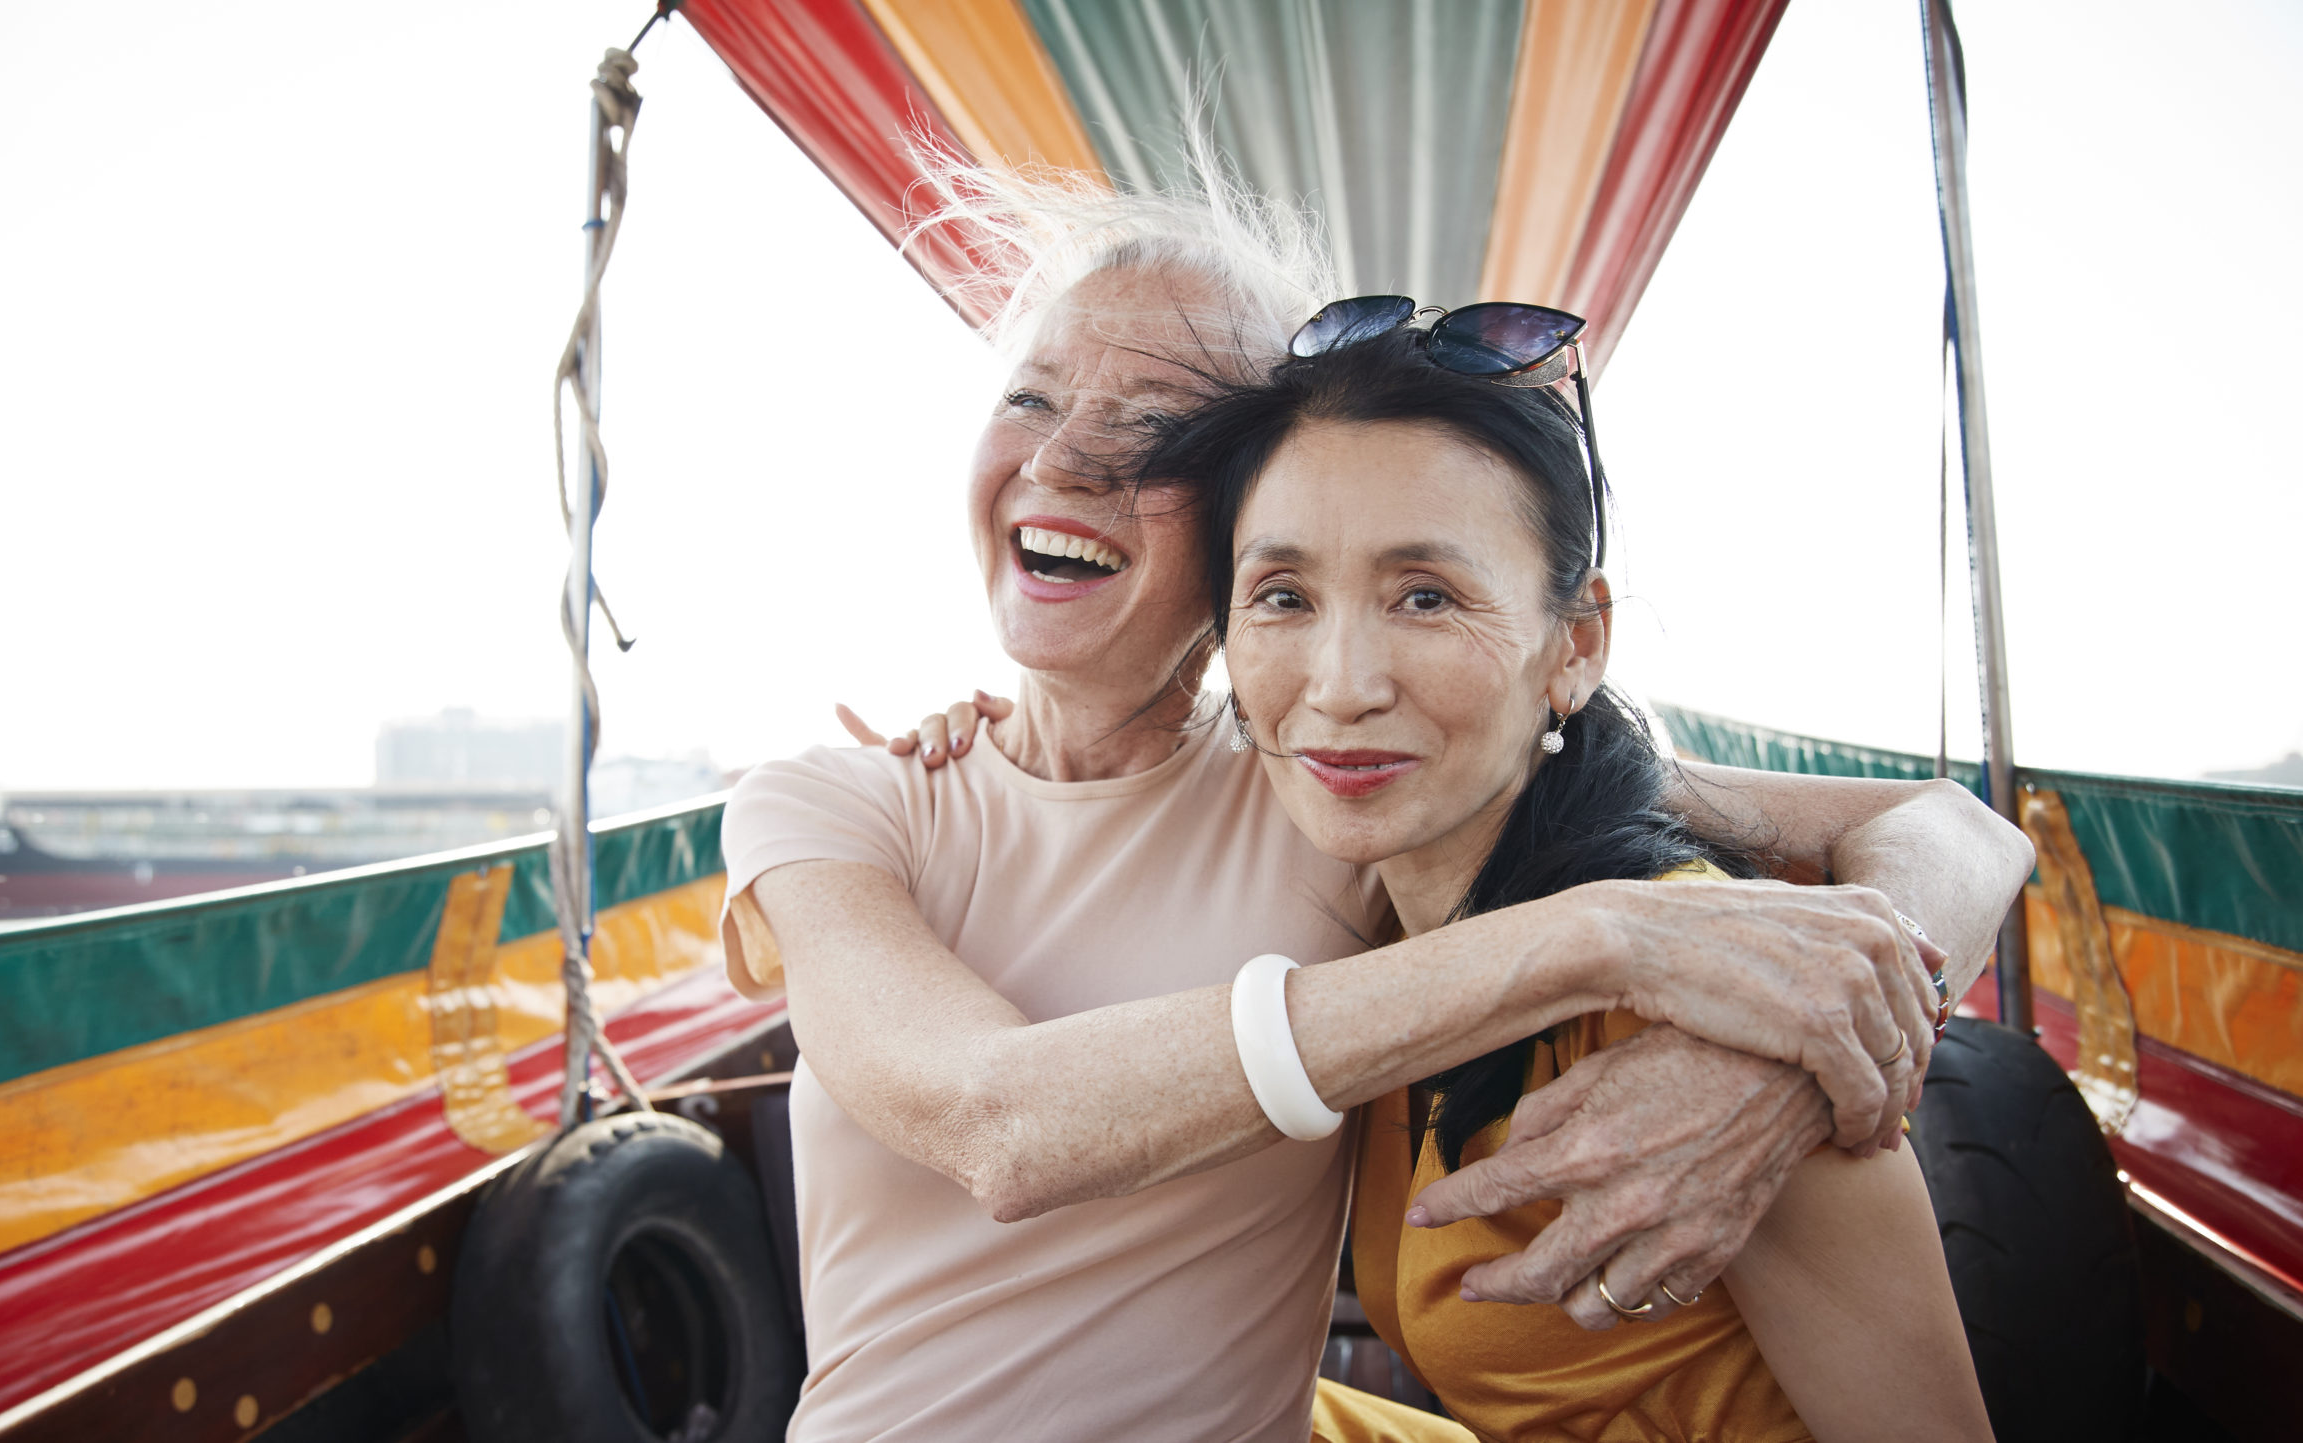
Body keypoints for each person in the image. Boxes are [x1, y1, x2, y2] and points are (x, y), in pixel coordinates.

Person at [718, 163, 2031, 1442]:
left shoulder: (1346, 788)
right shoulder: (843, 803)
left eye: (1147, 429)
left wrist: (1793, 1061)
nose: (1063, 456)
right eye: (1031, 396)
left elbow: (1953, 829)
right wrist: (1607, 936)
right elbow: (999, 1121)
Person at [1154, 318, 1995, 1440]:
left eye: (1426, 596)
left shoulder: (1721, 1005)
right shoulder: (1381, 921)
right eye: (1282, 597)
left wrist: (1842, 1029)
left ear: (1577, 646)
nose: (1342, 683)